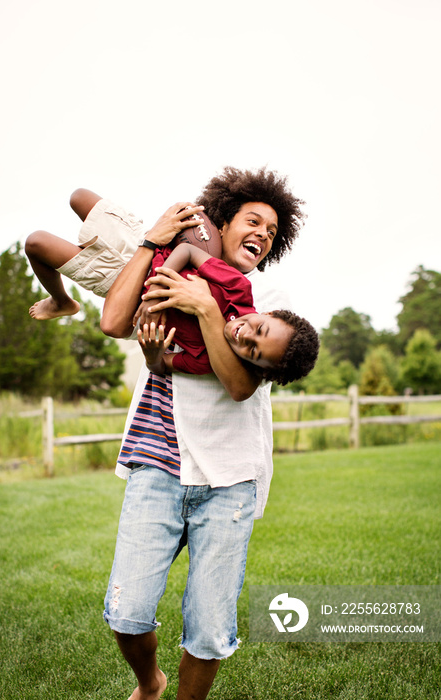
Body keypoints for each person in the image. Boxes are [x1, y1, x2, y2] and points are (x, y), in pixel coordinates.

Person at [67, 167, 308, 700]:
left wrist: (204, 306)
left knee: (209, 625)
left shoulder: (267, 294)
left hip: (228, 478)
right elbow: (122, 324)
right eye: (253, 222)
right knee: (127, 612)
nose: (262, 236)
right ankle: (149, 683)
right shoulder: (178, 260)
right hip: (156, 461)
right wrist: (155, 350)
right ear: (219, 222)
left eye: (271, 232)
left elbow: (241, 383)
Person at [25, 199, 318, 385]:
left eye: (253, 351)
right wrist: (156, 295)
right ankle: (60, 299)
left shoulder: (207, 357)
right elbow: (188, 249)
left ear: (254, 365)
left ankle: (62, 301)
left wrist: (152, 354)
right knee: (79, 198)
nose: (247, 336)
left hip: (127, 282)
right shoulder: (239, 288)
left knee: (36, 243)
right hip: (152, 247)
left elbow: (159, 365)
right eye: (254, 222)